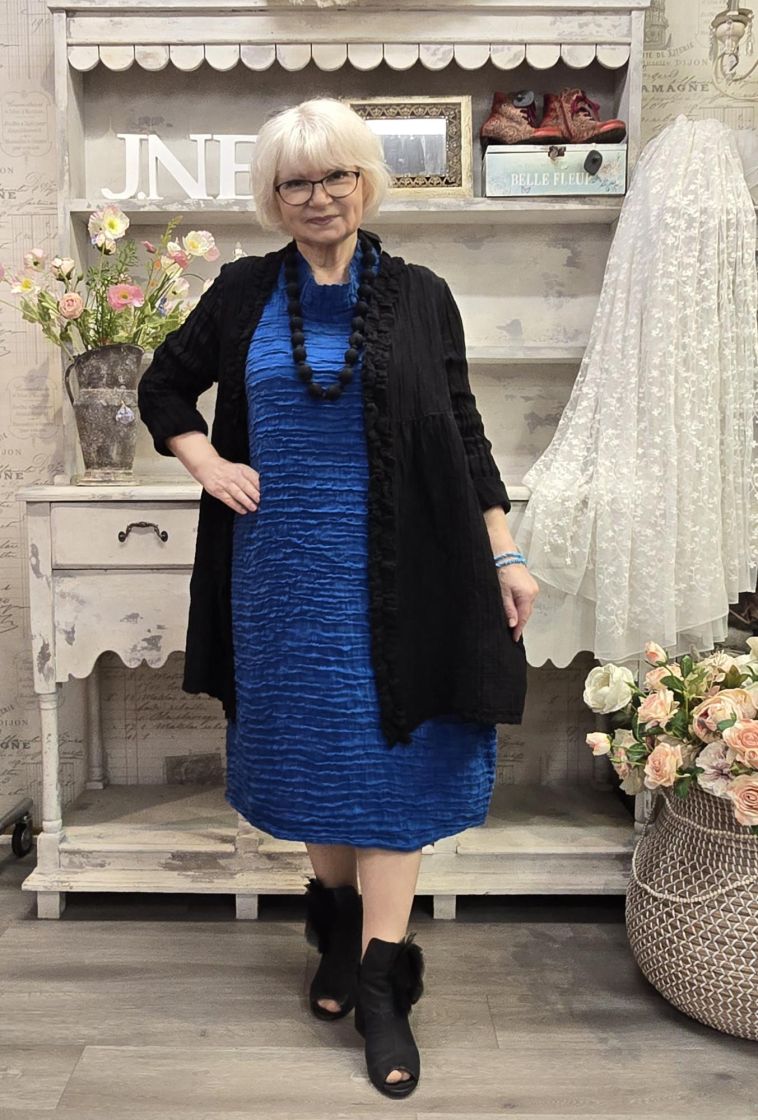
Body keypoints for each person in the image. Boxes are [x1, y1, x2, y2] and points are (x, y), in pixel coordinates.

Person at [137, 97, 538, 1100]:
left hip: (409, 572)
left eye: (336, 176)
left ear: (366, 181)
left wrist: (505, 553)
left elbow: (463, 428)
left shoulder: (422, 295)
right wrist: (207, 462)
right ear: (273, 197)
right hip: (280, 578)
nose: (318, 197)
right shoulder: (242, 292)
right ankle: (333, 929)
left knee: (395, 768)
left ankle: (382, 982)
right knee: (316, 759)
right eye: (295, 182)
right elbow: (162, 386)